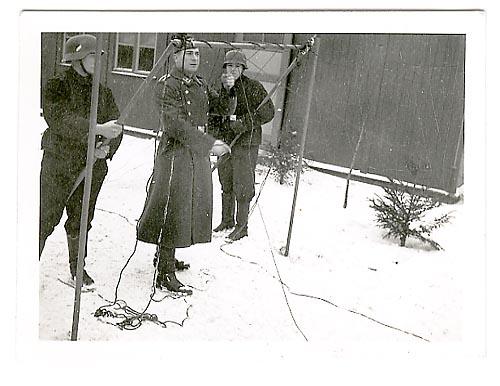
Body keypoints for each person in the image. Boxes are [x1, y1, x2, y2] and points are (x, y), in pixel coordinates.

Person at [136, 35, 234, 294]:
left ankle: (166, 256)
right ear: (176, 57)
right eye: (189, 53)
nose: (194, 58)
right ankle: (164, 273)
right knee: (173, 205)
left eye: (197, 54)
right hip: (176, 152)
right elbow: (175, 124)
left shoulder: (199, 83)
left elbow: (222, 107)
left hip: (196, 152)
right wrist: (208, 143)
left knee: (187, 206)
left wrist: (227, 88)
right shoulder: (167, 85)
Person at [40, 34, 123, 286]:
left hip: (92, 167)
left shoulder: (103, 92)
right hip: (59, 163)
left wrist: (105, 149)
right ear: (76, 58)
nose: (98, 61)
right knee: (44, 217)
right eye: (92, 55)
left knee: (81, 219)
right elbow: (59, 119)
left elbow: (117, 126)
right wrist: (97, 129)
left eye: (99, 56)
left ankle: (78, 268)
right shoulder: (57, 86)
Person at [211, 50, 275, 241]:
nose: (233, 69)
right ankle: (227, 220)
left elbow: (268, 112)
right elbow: (214, 111)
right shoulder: (221, 86)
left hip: (245, 143)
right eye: (230, 66)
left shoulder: (254, 87)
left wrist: (245, 123)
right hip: (225, 141)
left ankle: (242, 226)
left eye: (237, 66)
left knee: (243, 184)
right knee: (226, 180)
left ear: (243, 69)